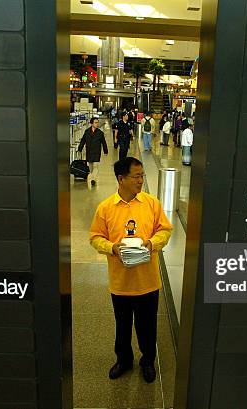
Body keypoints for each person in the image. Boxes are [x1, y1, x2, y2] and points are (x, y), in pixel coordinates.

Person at [89, 157, 173, 383]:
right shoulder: (106, 208)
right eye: (136, 176)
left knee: (147, 326)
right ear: (121, 179)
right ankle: (124, 360)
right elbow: (95, 237)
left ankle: (148, 360)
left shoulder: (151, 204)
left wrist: (151, 243)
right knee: (122, 325)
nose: (141, 180)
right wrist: (112, 248)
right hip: (120, 282)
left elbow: (165, 230)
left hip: (148, 280)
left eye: (142, 175)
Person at [78, 117, 108, 186]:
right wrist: (80, 149)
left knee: (96, 166)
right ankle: (93, 178)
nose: (97, 124)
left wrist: (105, 151)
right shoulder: (87, 131)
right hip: (89, 152)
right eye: (95, 122)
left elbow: (104, 142)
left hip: (97, 152)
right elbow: (83, 140)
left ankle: (92, 178)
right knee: (91, 168)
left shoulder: (100, 133)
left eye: (98, 122)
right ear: (91, 123)